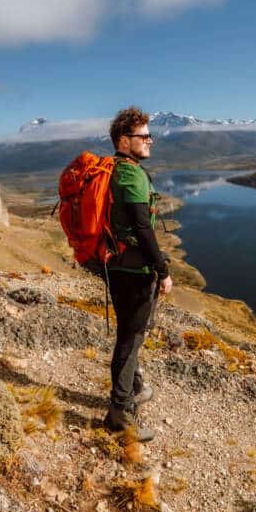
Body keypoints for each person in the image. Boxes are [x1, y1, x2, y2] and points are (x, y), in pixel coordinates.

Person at [103, 106, 173, 442]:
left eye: (149, 136)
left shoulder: (116, 169)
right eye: (143, 137)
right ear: (124, 141)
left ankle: (134, 388)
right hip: (134, 270)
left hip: (117, 266)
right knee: (130, 340)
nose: (149, 142)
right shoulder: (130, 174)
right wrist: (163, 270)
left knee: (130, 334)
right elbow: (143, 227)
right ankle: (120, 414)